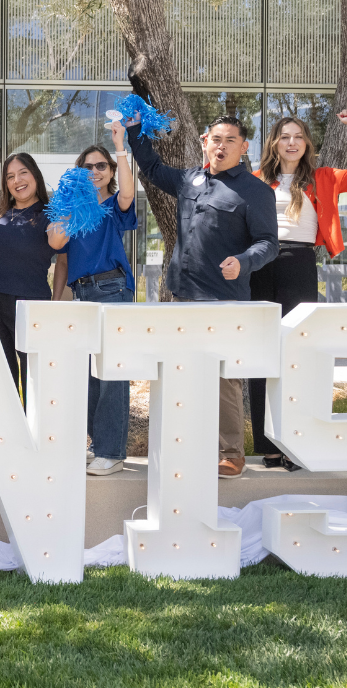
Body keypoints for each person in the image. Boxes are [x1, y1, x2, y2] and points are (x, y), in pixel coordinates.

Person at [125, 113, 278, 479]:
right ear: (204, 142)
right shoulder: (189, 179)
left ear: (243, 147)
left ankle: (231, 453)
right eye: (215, 139)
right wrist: (134, 132)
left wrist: (243, 262)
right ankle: (188, 447)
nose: (221, 146)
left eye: (230, 141)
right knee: (182, 374)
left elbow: (269, 244)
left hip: (224, 300)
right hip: (181, 296)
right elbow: (151, 166)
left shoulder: (256, 192)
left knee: (225, 379)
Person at [249, 108, 347, 470]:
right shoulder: (257, 179)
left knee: (296, 353)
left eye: (298, 137)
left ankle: (293, 444)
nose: (292, 143)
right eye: (284, 136)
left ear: (307, 144)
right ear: (275, 143)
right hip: (259, 265)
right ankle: (267, 445)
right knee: (262, 355)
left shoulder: (323, 177)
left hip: (299, 264)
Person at [48, 130, 138, 477]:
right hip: (81, 294)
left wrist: (120, 148)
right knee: (88, 375)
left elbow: (129, 194)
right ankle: (97, 443)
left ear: (111, 171)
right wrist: (58, 300)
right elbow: (58, 248)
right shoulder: (70, 209)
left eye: (102, 166)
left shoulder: (113, 207)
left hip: (111, 289)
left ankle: (111, 451)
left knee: (112, 374)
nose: (95, 171)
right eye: (87, 167)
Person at [0, 153, 66, 417]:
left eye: (23, 173)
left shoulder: (51, 215)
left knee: (34, 376)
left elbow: (63, 262)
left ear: (35, 175)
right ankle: (4, 436)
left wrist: (55, 304)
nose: (17, 180)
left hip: (30, 304)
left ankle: (34, 438)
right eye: (10, 176)